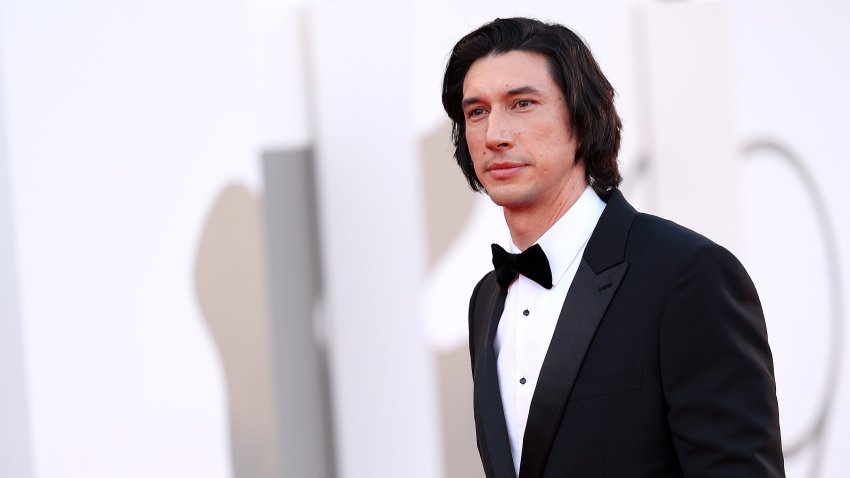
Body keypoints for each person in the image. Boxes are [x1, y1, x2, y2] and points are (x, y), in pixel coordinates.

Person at [441, 17, 785, 478]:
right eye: (477, 111)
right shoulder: (486, 301)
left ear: (582, 119)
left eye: (522, 103)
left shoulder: (686, 275)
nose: (494, 135)